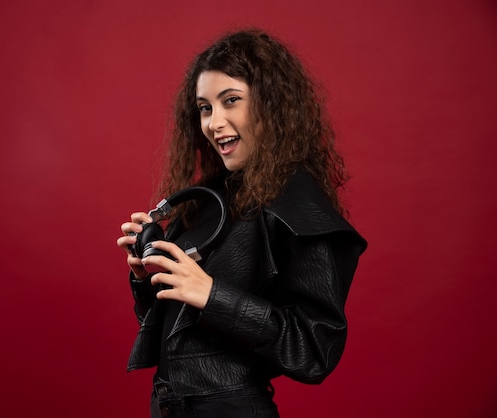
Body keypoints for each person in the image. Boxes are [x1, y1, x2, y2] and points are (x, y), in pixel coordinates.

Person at [116, 29, 367, 418]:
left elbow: (315, 351)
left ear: (272, 105)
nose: (215, 123)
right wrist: (146, 277)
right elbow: (178, 335)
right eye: (204, 108)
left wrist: (213, 295)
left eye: (231, 101)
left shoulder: (298, 206)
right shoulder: (203, 201)